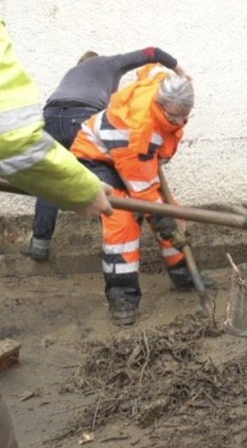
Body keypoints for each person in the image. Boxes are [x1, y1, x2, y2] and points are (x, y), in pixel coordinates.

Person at [0, 0, 113, 445]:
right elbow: (6, 138)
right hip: (69, 131)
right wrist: (85, 188)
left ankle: (38, 243)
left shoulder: (86, 74)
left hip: (55, 119)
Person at [22, 47, 189, 260]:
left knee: (53, 179)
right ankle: (117, 238)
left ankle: (39, 244)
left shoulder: (72, 75)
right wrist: (178, 69)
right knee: (110, 181)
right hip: (82, 116)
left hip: (51, 118)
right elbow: (151, 53)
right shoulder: (109, 64)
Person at [70, 64, 202, 326]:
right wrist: (163, 219)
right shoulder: (139, 131)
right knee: (124, 224)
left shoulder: (166, 84)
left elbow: (150, 69)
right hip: (99, 159)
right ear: (160, 105)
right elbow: (143, 195)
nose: (179, 123)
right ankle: (123, 297)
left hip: (134, 159)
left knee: (171, 212)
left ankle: (183, 274)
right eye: (174, 117)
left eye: (184, 117)